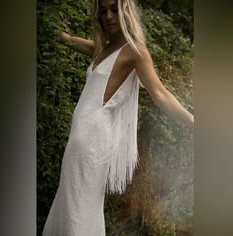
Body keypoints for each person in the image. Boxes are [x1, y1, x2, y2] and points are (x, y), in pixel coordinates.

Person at [42, 0, 194, 235]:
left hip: (93, 141)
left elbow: (160, 94)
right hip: (80, 138)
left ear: (126, 11)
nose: (109, 16)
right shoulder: (106, 48)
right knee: (73, 201)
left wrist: (195, 122)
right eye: (103, 12)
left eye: (114, 9)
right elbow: (86, 45)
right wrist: (64, 36)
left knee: (80, 205)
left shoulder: (135, 51)